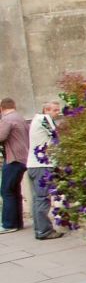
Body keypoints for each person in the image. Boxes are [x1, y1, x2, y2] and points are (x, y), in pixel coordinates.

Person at [26, 102, 60, 240]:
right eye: (55, 110)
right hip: (41, 165)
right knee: (42, 198)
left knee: (37, 199)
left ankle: (39, 229)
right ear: (46, 110)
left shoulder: (35, 120)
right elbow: (56, 136)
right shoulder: (43, 119)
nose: (58, 113)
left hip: (33, 165)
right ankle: (44, 231)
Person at [0, 99, 28, 234]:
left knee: (6, 191)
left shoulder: (7, 119)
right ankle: (17, 222)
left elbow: (1, 136)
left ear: (1, 108)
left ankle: (9, 224)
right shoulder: (20, 117)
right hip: (23, 158)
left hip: (13, 159)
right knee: (14, 190)